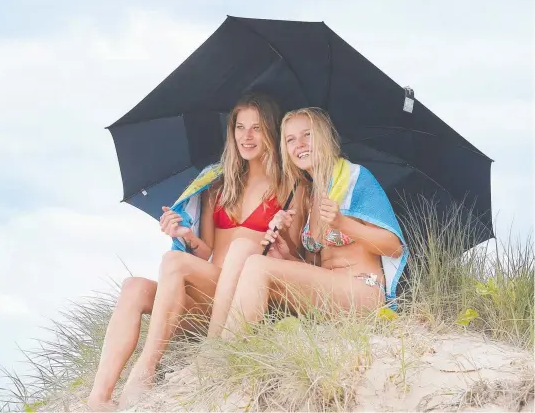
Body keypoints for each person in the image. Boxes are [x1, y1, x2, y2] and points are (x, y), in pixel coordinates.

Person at [87, 92, 294, 410]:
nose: (247, 136)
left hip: (242, 300)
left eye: (256, 127)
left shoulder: (290, 188)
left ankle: (147, 368)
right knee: (135, 288)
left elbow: (296, 256)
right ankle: (98, 399)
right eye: (240, 127)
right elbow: (205, 251)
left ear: (271, 131)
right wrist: (185, 235)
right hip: (207, 292)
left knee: (174, 261)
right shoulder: (218, 184)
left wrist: (282, 242)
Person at [218, 107, 409, 339]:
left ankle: (223, 357)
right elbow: (315, 268)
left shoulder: (355, 178)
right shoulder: (311, 196)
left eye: (307, 135)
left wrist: (342, 224)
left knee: (259, 266)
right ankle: (212, 348)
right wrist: (285, 253)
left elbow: (394, 246)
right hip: (330, 291)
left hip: (362, 291)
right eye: (290, 139)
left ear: (323, 136)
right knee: (245, 249)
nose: (299, 144)